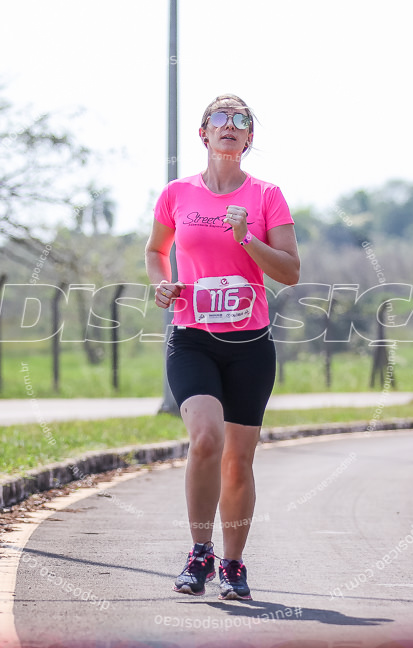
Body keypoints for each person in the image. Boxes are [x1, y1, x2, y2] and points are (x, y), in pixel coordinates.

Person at [145, 94, 300, 600]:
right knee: (206, 438)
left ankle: (233, 565)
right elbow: (155, 251)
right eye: (220, 119)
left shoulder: (266, 196)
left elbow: (291, 273)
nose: (230, 126)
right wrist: (160, 283)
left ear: (250, 138)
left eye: (241, 121)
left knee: (238, 459)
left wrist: (245, 240)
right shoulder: (176, 193)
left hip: (250, 346)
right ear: (204, 133)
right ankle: (199, 553)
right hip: (192, 339)